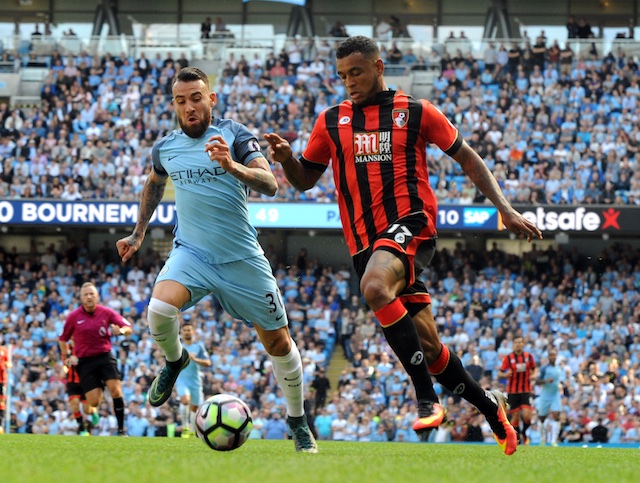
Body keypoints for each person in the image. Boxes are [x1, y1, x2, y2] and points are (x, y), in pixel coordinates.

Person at [265, 35, 542, 456]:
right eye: (342, 76)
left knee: (375, 288)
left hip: (410, 225)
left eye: (356, 72)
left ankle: (425, 398)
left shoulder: (414, 112)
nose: (349, 82)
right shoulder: (331, 121)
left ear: (378, 67)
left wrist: (504, 208)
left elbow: (468, 157)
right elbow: (305, 179)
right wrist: (286, 159)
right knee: (430, 348)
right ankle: (491, 407)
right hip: (363, 241)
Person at [116, 66, 317, 453]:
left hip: (241, 257)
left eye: (196, 97)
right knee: (157, 308)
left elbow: (271, 184)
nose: (189, 106)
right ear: (174, 105)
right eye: (181, 100)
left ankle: (297, 419)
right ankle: (175, 362)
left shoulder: (236, 135)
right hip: (191, 253)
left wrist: (231, 166)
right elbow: (155, 182)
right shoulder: (166, 147)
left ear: (211, 99)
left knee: (278, 343)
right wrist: (139, 232)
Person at [58, 282, 133, 436]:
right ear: (81, 298)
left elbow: (128, 327)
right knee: (93, 402)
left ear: (97, 296)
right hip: (85, 362)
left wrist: (122, 331)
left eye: (92, 294)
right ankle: (99, 384)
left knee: (116, 390)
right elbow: (62, 339)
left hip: (105, 357)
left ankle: (121, 430)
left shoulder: (106, 313)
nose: (89, 297)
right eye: (86, 294)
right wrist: (67, 356)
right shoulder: (73, 317)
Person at [175, 321, 211, 438]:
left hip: (195, 381)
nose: (186, 332)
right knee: (185, 400)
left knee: (194, 407)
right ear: (181, 332)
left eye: (189, 330)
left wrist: (194, 359)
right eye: (184, 330)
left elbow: (208, 363)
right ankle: (185, 427)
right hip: (182, 379)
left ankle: (192, 430)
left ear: (193, 332)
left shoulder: (199, 347)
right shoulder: (178, 347)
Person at [498, 335, 537, 445]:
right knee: (515, 417)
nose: (518, 344)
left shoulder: (528, 357)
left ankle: (524, 433)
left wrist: (534, 375)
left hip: (525, 390)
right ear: (513, 344)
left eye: (520, 342)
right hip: (513, 392)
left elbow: (535, 368)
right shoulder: (508, 358)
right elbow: (499, 373)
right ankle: (518, 437)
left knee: (527, 415)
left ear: (523, 344)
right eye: (516, 342)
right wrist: (505, 375)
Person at [63, 340, 99, 435]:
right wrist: (66, 365)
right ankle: (82, 429)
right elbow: (65, 362)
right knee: (75, 405)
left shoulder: (85, 347)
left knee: (86, 410)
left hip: (85, 381)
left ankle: (92, 411)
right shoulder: (67, 348)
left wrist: (79, 361)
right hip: (72, 383)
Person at [535, 347, 562, 446]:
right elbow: (537, 381)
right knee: (542, 418)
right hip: (545, 395)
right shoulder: (544, 368)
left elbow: (558, 380)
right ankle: (542, 439)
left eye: (554, 355)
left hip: (555, 395)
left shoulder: (558, 368)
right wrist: (546, 381)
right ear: (548, 357)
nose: (553, 357)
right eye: (551, 355)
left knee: (556, 415)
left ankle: (554, 441)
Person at [0, 343, 11, 431]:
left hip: (2, 380)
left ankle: (0, 425)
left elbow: (7, 361)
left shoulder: (3, 350)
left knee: (2, 403)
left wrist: (8, 364)